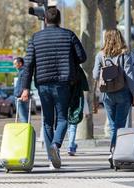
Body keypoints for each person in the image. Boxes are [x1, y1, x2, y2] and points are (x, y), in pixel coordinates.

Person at [20, 7, 86, 169]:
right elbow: (82, 57)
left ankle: (51, 159)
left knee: (47, 120)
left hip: (43, 84)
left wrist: (25, 88)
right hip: (63, 83)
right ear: (59, 20)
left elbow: (28, 65)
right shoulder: (69, 35)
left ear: (45, 20)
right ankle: (55, 146)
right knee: (63, 118)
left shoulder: (35, 38)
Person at [93, 29, 134, 163]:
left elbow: (95, 75)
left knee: (113, 125)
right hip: (123, 93)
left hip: (107, 94)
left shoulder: (100, 55)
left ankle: (113, 150)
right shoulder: (125, 54)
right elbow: (129, 76)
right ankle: (114, 150)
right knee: (120, 125)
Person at [67, 65, 89, 156]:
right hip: (77, 98)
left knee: (68, 123)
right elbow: (85, 86)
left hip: (65, 97)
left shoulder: (64, 67)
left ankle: (71, 144)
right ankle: (71, 145)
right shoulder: (78, 69)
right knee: (73, 123)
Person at [13, 57, 29, 123]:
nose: (14, 66)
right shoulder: (22, 72)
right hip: (20, 96)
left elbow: (23, 85)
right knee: (24, 116)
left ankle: (28, 132)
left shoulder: (22, 72)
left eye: (15, 64)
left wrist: (18, 94)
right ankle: (30, 132)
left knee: (23, 117)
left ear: (20, 63)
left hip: (20, 97)